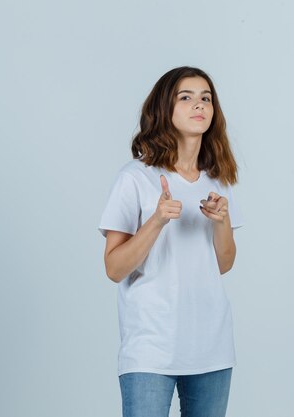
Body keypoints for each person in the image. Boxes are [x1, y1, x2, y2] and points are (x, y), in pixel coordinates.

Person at [98, 66, 244, 417]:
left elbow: (222, 264)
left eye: (206, 98)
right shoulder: (135, 177)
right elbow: (114, 268)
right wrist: (158, 220)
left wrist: (221, 222)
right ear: (166, 108)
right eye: (186, 97)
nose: (200, 105)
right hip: (151, 349)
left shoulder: (217, 181)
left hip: (211, 347)